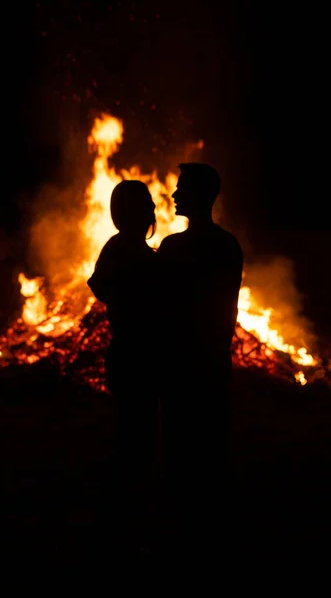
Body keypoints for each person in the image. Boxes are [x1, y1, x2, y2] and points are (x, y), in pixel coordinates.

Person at [158, 163, 243, 550]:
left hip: (182, 358)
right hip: (212, 357)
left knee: (180, 439)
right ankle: (212, 522)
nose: (174, 196)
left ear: (199, 195)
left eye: (180, 189)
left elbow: (160, 301)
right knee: (211, 439)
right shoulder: (229, 245)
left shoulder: (175, 248)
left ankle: (183, 524)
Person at [87, 180, 160, 542]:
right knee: (139, 431)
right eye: (146, 203)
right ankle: (128, 511)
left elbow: (98, 285)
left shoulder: (118, 249)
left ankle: (124, 505)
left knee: (134, 428)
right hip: (139, 355)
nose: (154, 207)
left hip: (128, 353)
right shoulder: (134, 255)